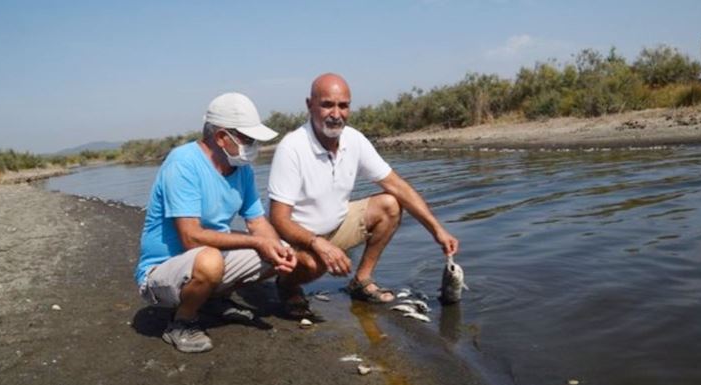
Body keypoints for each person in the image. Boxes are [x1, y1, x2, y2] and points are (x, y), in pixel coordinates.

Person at [267, 73, 458, 319]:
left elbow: (397, 185)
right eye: (327, 104)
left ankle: (361, 280)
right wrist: (319, 244)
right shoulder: (291, 147)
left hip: (336, 226)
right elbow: (279, 220)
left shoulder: (354, 140)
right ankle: (287, 286)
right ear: (309, 105)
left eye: (343, 105)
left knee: (390, 204)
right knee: (314, 264)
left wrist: (437, 230)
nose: (336, 114)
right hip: (298, 238)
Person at [135, 92, 296, 353]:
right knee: (211, 260)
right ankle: (181, 323)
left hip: (207, 259)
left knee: (280, 249)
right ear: (222, 137)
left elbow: (257, 222)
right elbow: (191, 237)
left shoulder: (241, 169)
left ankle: (212, 299)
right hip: (161, 272)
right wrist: (257, 241)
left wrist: (276, 248)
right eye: (247, 139)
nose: (253, 146)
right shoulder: (183, 163)